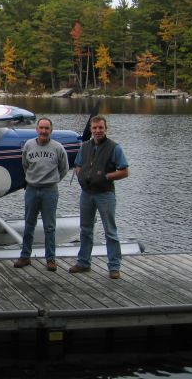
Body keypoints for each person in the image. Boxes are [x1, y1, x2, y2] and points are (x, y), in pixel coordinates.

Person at [69, 115, 129, 279]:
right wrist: (81, 175)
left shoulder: (114, 148)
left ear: (105, 128)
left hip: (105, 194)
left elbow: (124, 171)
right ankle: (83, 262)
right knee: (85, 230)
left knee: (110, 231)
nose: (97, 131)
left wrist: (107, 177)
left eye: (100, 128)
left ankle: (114, 267)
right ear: (91, 129)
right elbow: (78, 164)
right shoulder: (85, 146)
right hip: (87, 194)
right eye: (94, 128)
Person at [14, 117, 69, 272]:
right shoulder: (28, 145)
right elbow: (25, 165)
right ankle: (25, 256)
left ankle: (50, 259)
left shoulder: (58, 148)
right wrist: (32, 180)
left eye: (47, 128)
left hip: (50, 191)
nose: (44, 131)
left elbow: (64, 169)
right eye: (41, 128)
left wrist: (52, 180)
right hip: (31, 189)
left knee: (49, 227)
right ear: (37, 129)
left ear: (51, 130)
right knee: (29, 224)